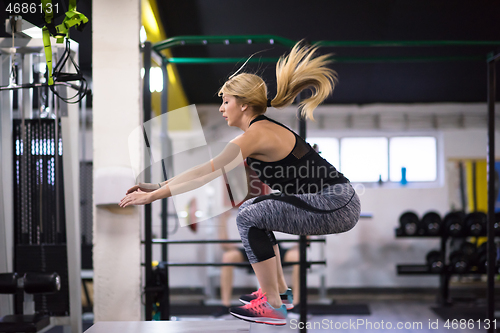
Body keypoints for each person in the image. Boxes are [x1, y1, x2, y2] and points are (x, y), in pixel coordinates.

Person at [120, 42, 361, 326]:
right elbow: (202, 169)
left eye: (226, 101)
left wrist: (155, 196)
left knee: (249, 213)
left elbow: (205, 174)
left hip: (335, 203)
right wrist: (158, 185)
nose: (222, 108)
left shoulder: (255, 135)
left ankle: (272, 305)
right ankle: (280, 295)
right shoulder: (258, 131)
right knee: (257, 210)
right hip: (334, 202)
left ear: (243, 104)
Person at [216, 209, 299, 315]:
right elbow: (225, 245)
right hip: (251, 246)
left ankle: (289, 301)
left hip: (278, 246)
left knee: (296, 255)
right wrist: (222, 220)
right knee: (228, 256)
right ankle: (225, 305)